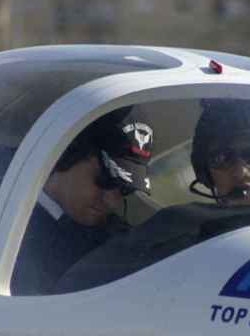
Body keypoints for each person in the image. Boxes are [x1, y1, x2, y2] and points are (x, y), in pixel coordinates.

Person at [11, 106, 153, 295]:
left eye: (125, 189)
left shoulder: (118, 240)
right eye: (106, 180)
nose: (113, 202)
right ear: (66, 155)